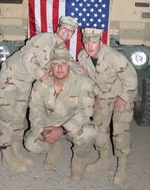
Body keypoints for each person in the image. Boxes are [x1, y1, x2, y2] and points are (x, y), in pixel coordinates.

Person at [0, 15, 78, 173]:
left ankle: (16, 152)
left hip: (25, 82)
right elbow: (27, 60)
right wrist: (41, 75)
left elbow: (68, 62)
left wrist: (79, 70)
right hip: (11, 78)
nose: (67, 32)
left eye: (71, 30)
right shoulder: (44, 39)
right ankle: (6, 156)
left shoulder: (61, 49)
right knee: (6, 117)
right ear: (58, 28)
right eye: (65, 28)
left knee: (19, 117)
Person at [24, 48, 98, 181]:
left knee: (90, 132)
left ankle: (78, 159)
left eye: (64, 63)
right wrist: (42, 131)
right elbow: (35, 111)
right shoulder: (40, 84)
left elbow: (85, 113)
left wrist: (62, 130)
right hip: (49, 125)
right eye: (55, 64)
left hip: (72, 127)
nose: (59, 67)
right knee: (31, 143)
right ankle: (54, 146)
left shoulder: (83, 83)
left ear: (70, 65)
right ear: (50, 67)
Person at [77, 28, 138, 186]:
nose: (89, 46)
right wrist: (95, 93)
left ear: (100, 42)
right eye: (86, 42)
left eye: (94, 42)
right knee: (99, 129)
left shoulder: (112, 56)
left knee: (120, 133)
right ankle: (104, 160)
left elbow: (131, 78)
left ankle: (122, 167)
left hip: (120, 96)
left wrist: (124, 97)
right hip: (102, 97)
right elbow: (86, 79)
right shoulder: (82, 57)